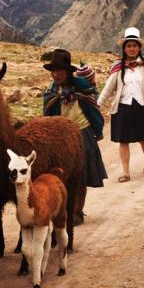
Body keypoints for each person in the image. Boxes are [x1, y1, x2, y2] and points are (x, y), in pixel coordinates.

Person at [42, 48, 107, 222]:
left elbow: (92, 106)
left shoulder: (82, 87)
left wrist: (97, 130)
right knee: (61, 174)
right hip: (60, 137)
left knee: (80, 175)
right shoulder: (51, 92)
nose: (56, 74)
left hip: (82, 133)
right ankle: (62, 210)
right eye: (53, 71)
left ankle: (77, 211)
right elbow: (47, 114)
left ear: (68, 71)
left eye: (59, 70)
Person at [98, 27, 144, 182]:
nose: (131, 49)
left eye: (134, 45)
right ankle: (125, 172)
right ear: (124, 48)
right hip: (122, 107)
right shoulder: (118, 67)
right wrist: (98, 103)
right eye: (129, 46)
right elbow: (109, 88)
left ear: (139, 48)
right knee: (123, 140)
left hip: (142, 106)